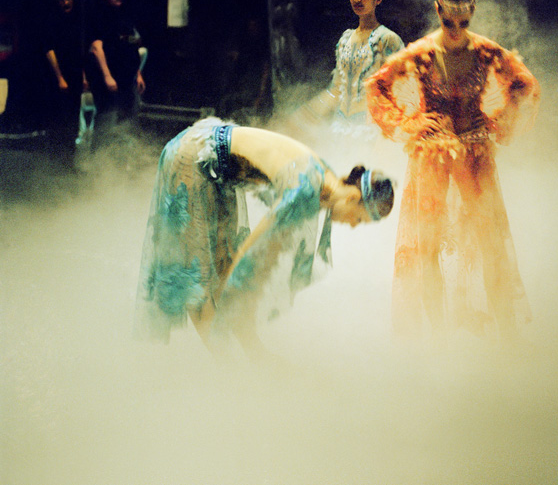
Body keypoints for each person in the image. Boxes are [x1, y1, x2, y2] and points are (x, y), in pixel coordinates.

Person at [366, 0, 541, 340]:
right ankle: (439, 337)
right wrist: (411, 123)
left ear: (472, 11)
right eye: (449, 22)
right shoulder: (422, 53)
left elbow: (524, 83)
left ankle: (508, 335)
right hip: (433, 155)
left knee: (491, 243)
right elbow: (376, 86)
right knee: (428, 245)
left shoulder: (486, 51)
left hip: (475, 154)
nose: (456, 30)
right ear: (438, 11)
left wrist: (501, 119)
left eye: (463, 22)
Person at [134, 117, 395, 357]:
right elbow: (252, 250)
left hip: (216, 162)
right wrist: (239, 286)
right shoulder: (308, 188)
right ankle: (227, 366)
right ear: (352, 198)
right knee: (198, 273)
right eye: (359, 219)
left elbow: (264, 250)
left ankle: (252, 355)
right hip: (194, 156)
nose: (353, 226)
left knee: (226, 265)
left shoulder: (324, 180)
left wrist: (244, 286)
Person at [302, 0, 403, 139]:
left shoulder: (387, 39)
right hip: (340, 124)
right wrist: (310, 111)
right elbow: (336, 87)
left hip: (372, 126)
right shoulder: (345, 39)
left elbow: (402, 89)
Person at [84, 0, 146, 147]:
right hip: (107, 78)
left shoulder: (124, 16)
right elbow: (96, 48)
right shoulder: (98, 16)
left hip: (126, 77)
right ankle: (98, 157)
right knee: (106, 117)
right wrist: (107, 76)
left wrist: (138, 74)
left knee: (126, 118)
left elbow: (131, 46)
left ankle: (121, 157)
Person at [42, 0, 85, 165]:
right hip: (60, 76)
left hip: (75, 75)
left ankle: (69, 160)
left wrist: (83, 76)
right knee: (60, 116)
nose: (66, 3)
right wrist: (60, 77)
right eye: (62, 0)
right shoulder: (52, 22)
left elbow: (80, 52)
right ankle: (57, 160)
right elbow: (49, 50)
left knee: (74, 118)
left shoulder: (76, 21)